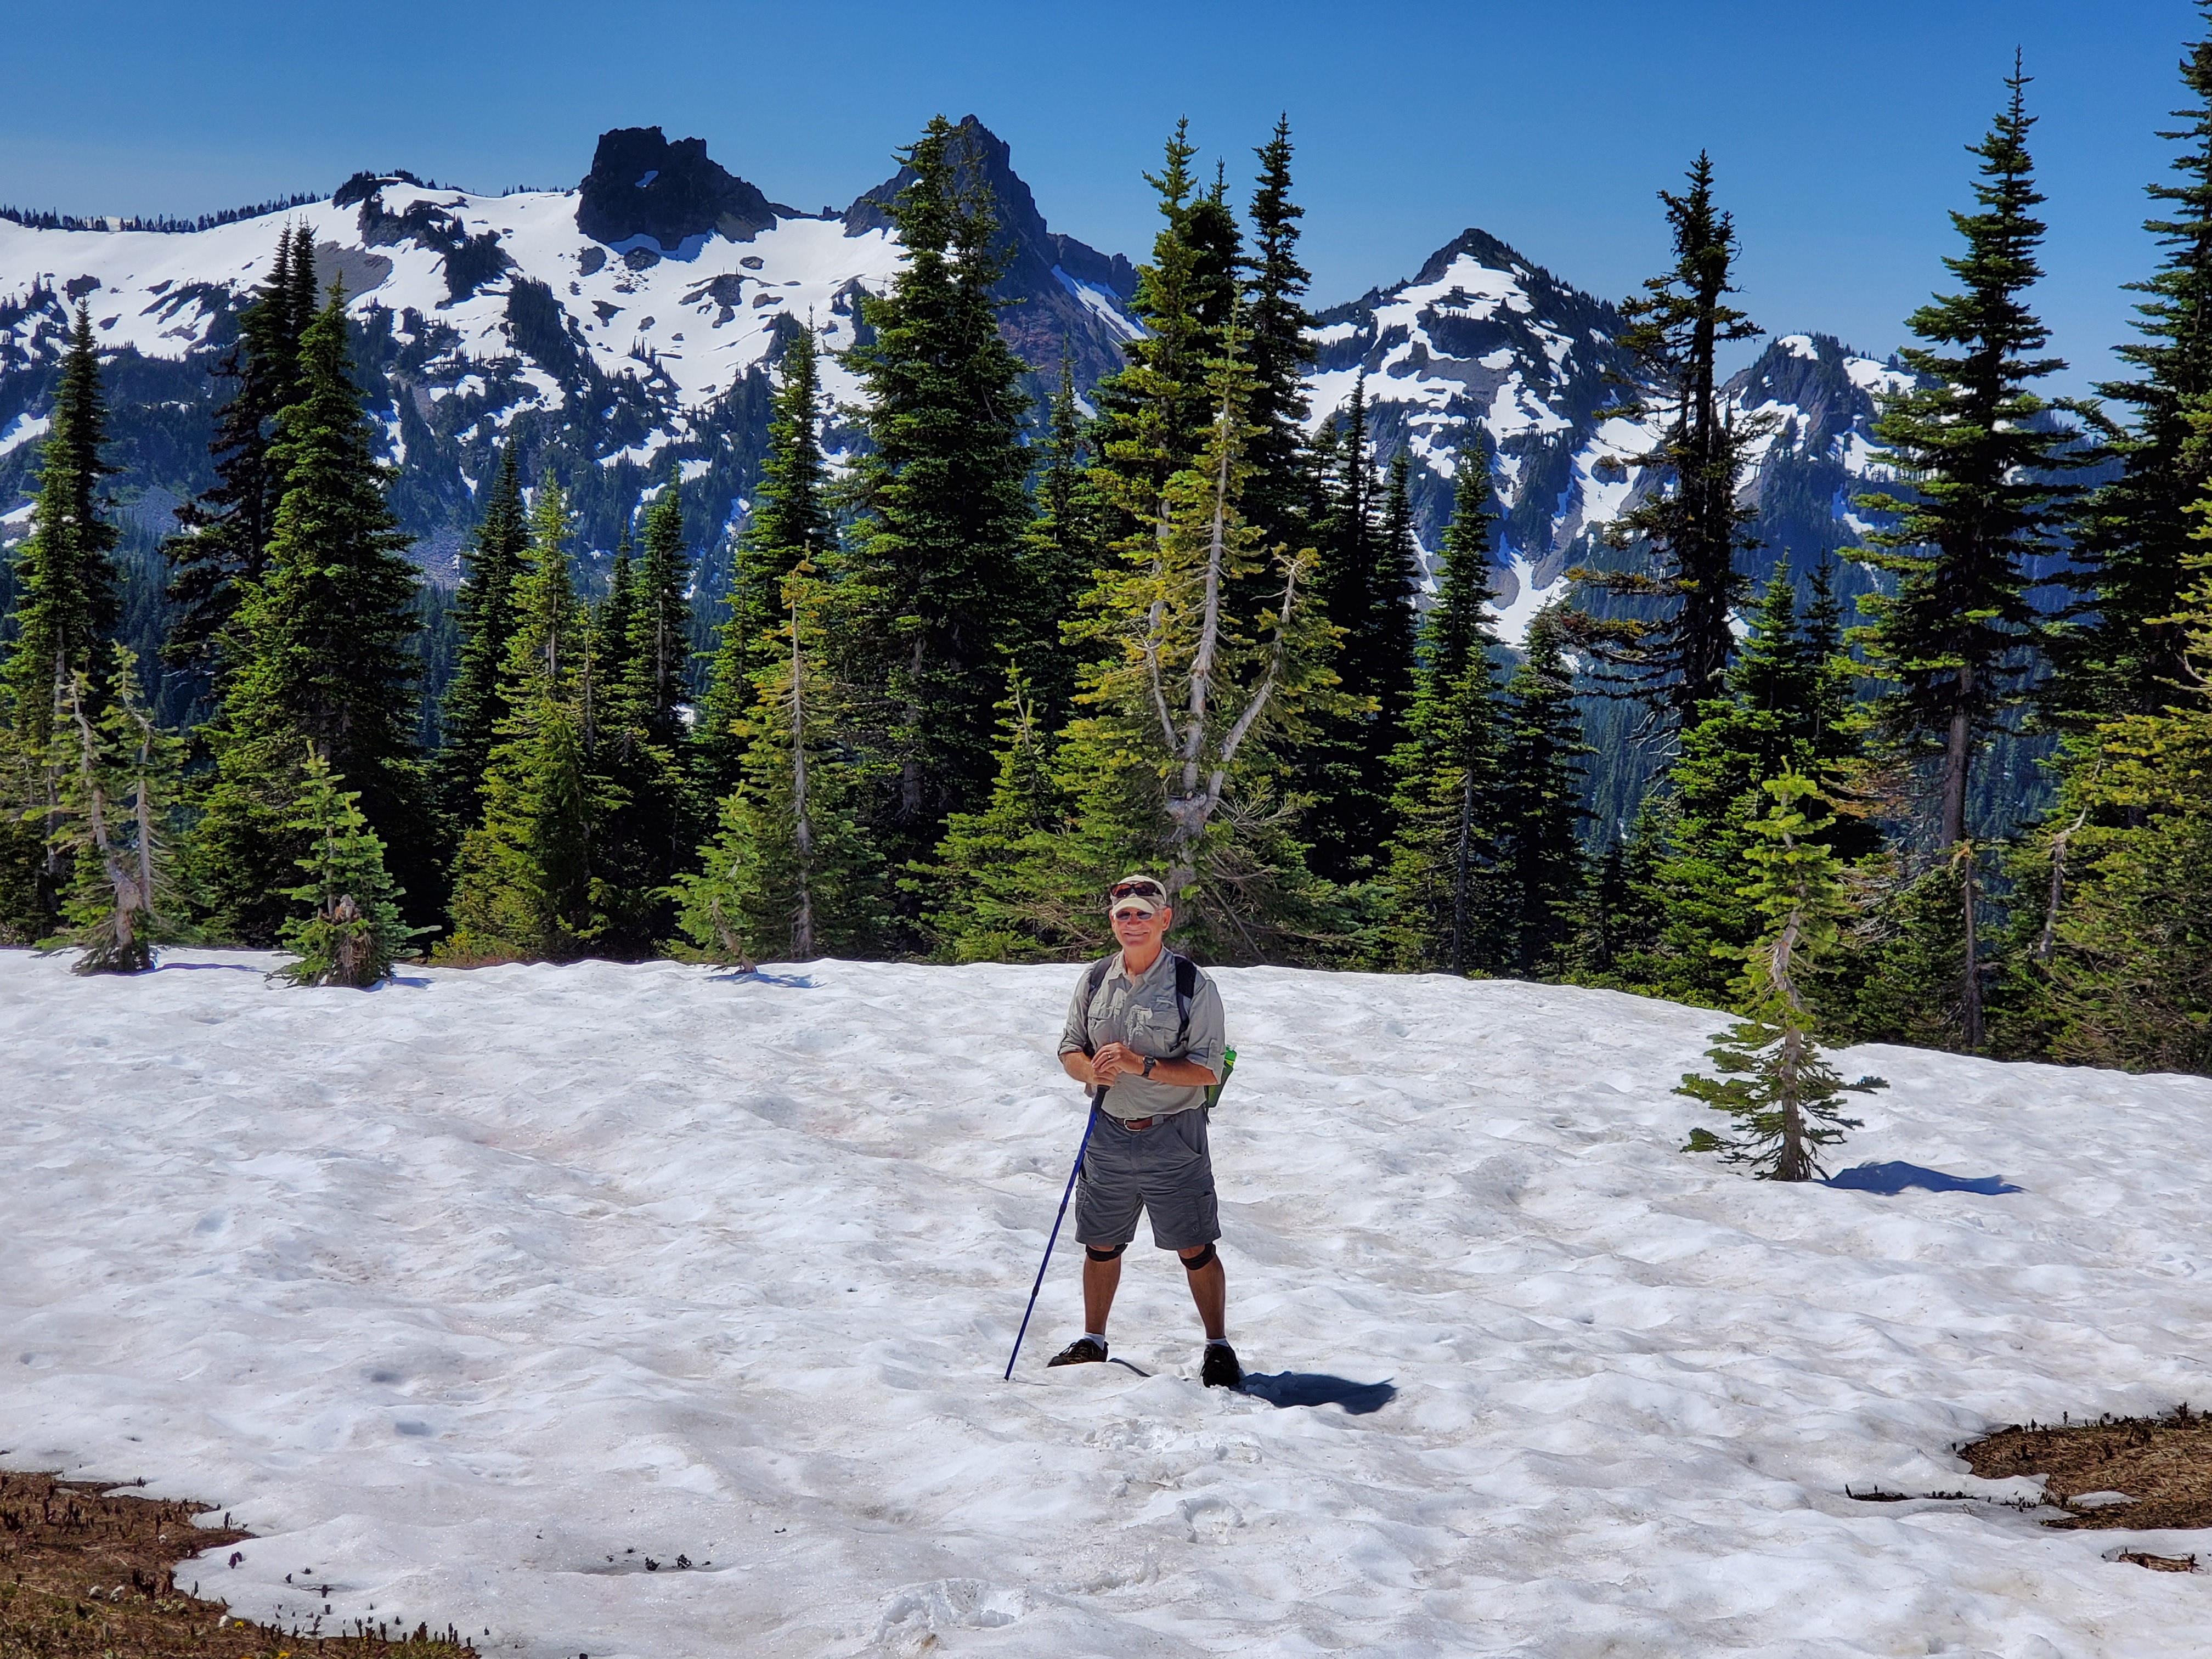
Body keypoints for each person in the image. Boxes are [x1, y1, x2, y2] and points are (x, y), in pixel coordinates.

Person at [1049, 873, 1240, 1387]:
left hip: (1174, 1135)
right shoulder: (1095, 979)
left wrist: (1141, 1065)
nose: (1132, 922)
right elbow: (1069, 1047)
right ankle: (1093, 1339)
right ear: (1112, 921)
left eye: (1143, 914)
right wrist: (1089, 1071)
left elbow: (1208, 1071)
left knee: (1194, 1245)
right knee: (1100, 1244)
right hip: (1107, 1132)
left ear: (1164, 920)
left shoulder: (1193, 986)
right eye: (1123, 915)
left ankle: (1218, 1346)